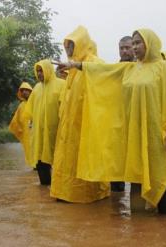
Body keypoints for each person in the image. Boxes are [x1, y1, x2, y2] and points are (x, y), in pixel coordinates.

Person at [56, 28, 166, 214]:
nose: (134, 47)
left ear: (149, 43)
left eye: (137, 43)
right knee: (136, 171)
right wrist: (76, 65)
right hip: (134, 131)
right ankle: (138, 223)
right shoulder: (130, 68)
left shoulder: (164, 68)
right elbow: (103, 70)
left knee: (159, 169)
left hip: (158, 132)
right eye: (132, 43)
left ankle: (165, 222)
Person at [50, 26, 110, 203]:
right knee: (68, 158)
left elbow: (101, 73)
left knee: (85, 157)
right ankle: (66, 191)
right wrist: (67, 73)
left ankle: (88, 193)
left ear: (82, 44)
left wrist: (76, 66)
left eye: (72, 46)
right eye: (67, 47)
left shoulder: (94, 62)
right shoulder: (73, 69)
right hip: (70, 124)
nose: (68, 51)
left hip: (86, 123)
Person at [24, 59, 65, 185]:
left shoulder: (61, 84)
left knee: (58, 160)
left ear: (48, 70)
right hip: (39, 133)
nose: (40, 74)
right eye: (37, 71)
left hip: (56, 131)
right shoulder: (36, 88)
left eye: (41, 70)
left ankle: (59, 188)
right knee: (41, 161)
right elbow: (30, 109)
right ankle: (45, 188)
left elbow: (66, 108)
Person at [111, 36, 135, 193]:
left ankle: (136, 193)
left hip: (134, 119)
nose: (124, 51)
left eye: (127, 47)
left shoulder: (140, 67)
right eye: (121, 48)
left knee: (134, 159)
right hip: (115, 121)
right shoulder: (114, 68)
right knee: (115, 159)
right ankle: (117, 196)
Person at [9, 82, 34, 166]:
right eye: (22, 90)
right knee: (29, 151)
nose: (24, 92)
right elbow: (15, 121)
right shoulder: (21, 106)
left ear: (31, 91)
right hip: (27, 134)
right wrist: (19, 130)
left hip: (37, 132)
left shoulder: (37, 102)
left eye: (26, 90)